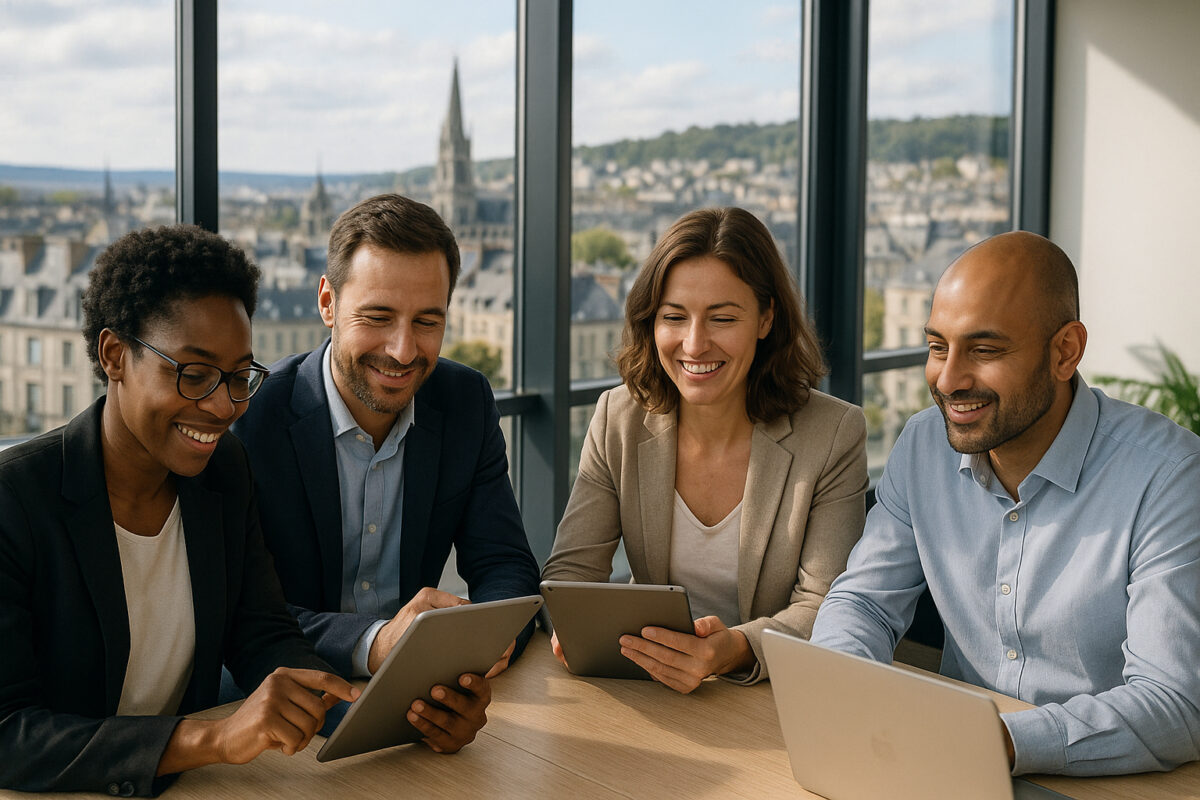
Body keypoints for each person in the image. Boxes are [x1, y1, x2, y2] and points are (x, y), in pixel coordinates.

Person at [810, 231, 1200, 776]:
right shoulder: (923, 445)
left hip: (1107, 779)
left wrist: (998, 741)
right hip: (948, 764)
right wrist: (841, 696)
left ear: (1066, 351)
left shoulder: (1170, 476)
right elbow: (864, 604)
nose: (947, 379)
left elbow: (1174, 703)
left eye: (985, 350)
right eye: (937, 346)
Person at [0, 226, 365, 795]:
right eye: (194, 375)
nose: (223, 406)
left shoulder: (223, 472)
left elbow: (260, 631)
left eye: (240, 377)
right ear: (115, 355)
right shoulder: (16, 500)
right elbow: (8, 732)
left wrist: (359, 704)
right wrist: (212, 741)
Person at [232, 194, 538, 745]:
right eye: (377, 318)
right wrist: (376, 642)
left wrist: (466, 659)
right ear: (327, 302)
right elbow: (240, 612)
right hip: (272, 710)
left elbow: (505, 563)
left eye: (427, 321)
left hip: (416, 704)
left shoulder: (465, 400)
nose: (403, 350)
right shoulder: (253, 419)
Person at [542, 207, 868, 692]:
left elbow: (827, 606)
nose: (694, 344)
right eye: (674, 317)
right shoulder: (619, 417)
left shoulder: (833, 432)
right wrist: (571, 625)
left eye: (722, 318)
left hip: (775, 696)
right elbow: (570, 573)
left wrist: (730, 650)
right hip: (647, 687)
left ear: (766, 318)